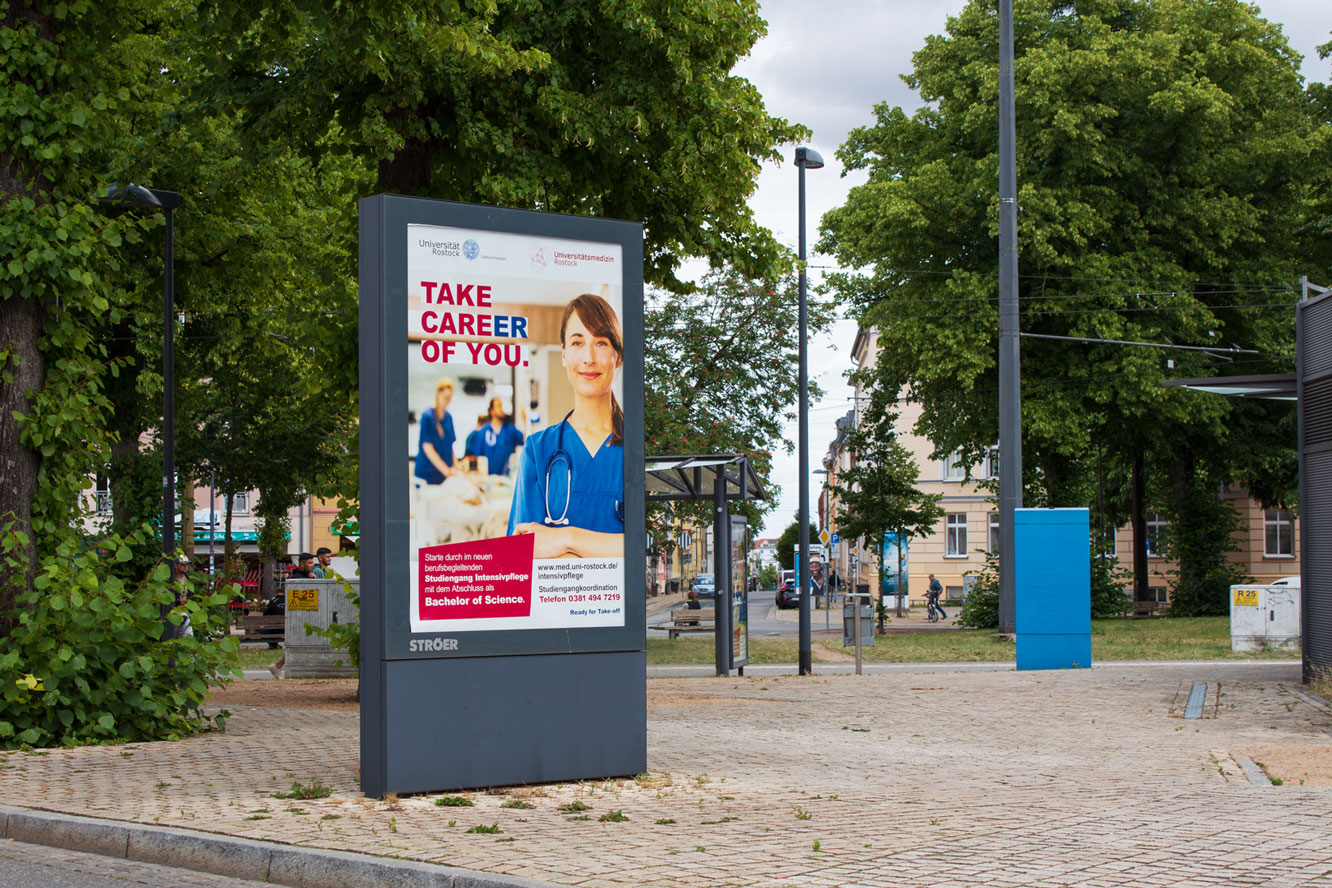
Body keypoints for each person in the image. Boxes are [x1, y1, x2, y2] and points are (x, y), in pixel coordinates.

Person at [508, 293, 625, 558]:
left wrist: (567, 538)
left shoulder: (640, 448)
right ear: (563, 355)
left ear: (617, 357)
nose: (589, 357)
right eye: (577, 342)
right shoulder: (538, 451)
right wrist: (614, 548)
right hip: (556, 599)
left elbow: (649, 549)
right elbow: (522, 554)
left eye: (601, 343)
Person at [414, 378, 457, 484]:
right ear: (438, 393)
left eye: (450, 398)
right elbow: (428, 449)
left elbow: (450, 447)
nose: (448, 401)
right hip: (428, 475)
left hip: (444, 477)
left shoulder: (448, 417)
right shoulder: (427, 416)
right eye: (446, 397)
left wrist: (457, 468)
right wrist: (447, 471)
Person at [479, 396, 525, 476]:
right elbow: (478, 456)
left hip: (506, 478)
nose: (501, 409)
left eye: (502, 406)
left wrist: (525, 421)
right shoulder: (484, 432)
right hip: (488, 478)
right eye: (499, 406)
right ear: (491, 411)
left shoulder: (510, 430)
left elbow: (525, 441)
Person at [161, 552, 193, 640]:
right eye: (182, 564)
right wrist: (178, 603)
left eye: (187, 564)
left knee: (189, 642)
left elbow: (191, 597)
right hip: (172, 617)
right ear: (176, 565)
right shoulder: (170, 581)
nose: (185, 566)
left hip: (185, 616)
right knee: (169, 640)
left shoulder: (189, 581)